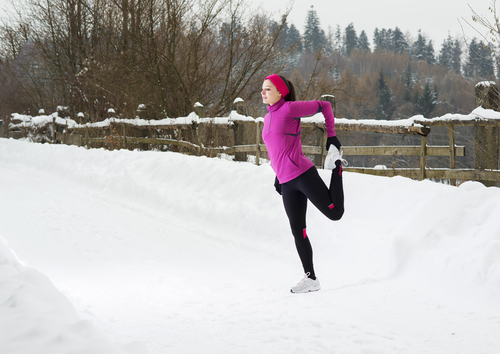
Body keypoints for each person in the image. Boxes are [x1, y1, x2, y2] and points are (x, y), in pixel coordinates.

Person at [261, 74, 347, 294]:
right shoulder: (267, 117)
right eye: (263, 89)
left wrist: (331, 137)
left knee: (335, 213)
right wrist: (277, 174)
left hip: (302, 173)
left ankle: (337, 165)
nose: (263, 92)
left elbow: (324, 106)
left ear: (281, 92)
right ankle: (311, 279)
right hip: (286, 181)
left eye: (268, 89)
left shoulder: (289, 109)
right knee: (298, 231)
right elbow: (275, 150)